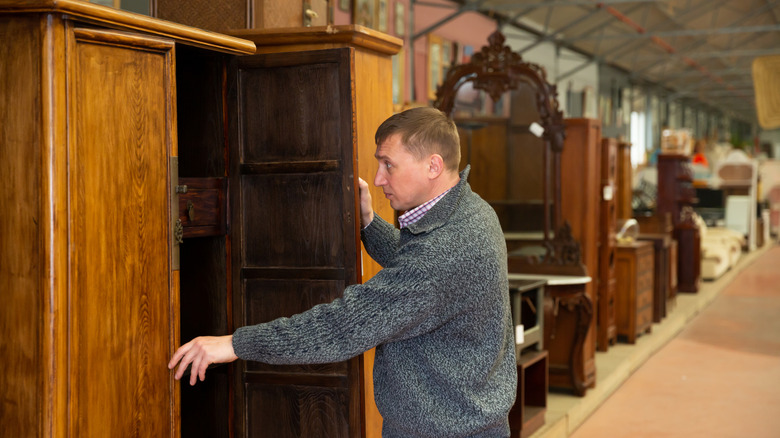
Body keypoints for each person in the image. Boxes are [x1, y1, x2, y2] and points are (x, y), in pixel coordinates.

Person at [168, 106, 517, 437]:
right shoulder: (473, 213)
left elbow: (343, 327)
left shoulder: (439, 257)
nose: (379, 179)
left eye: (388, 165)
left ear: (433, 165)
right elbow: (421, 274)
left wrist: (235, 343)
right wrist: (368, 222)